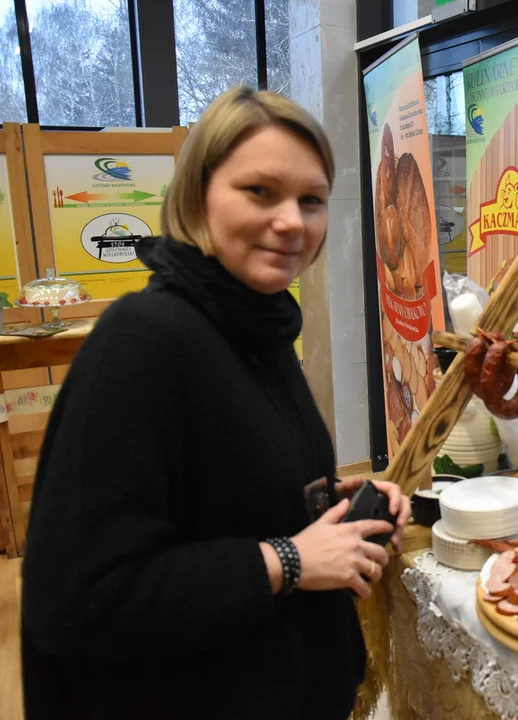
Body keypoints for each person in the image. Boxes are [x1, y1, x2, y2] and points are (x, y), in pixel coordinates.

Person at [19, 86, 411, 720]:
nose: (292, 221)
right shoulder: (143, 339)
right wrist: (286, 561)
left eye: (311, 200)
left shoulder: (261, 329)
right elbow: (76, 600)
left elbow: (225, 498)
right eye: (260, 192)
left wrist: (339, 506)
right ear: (198, 195)